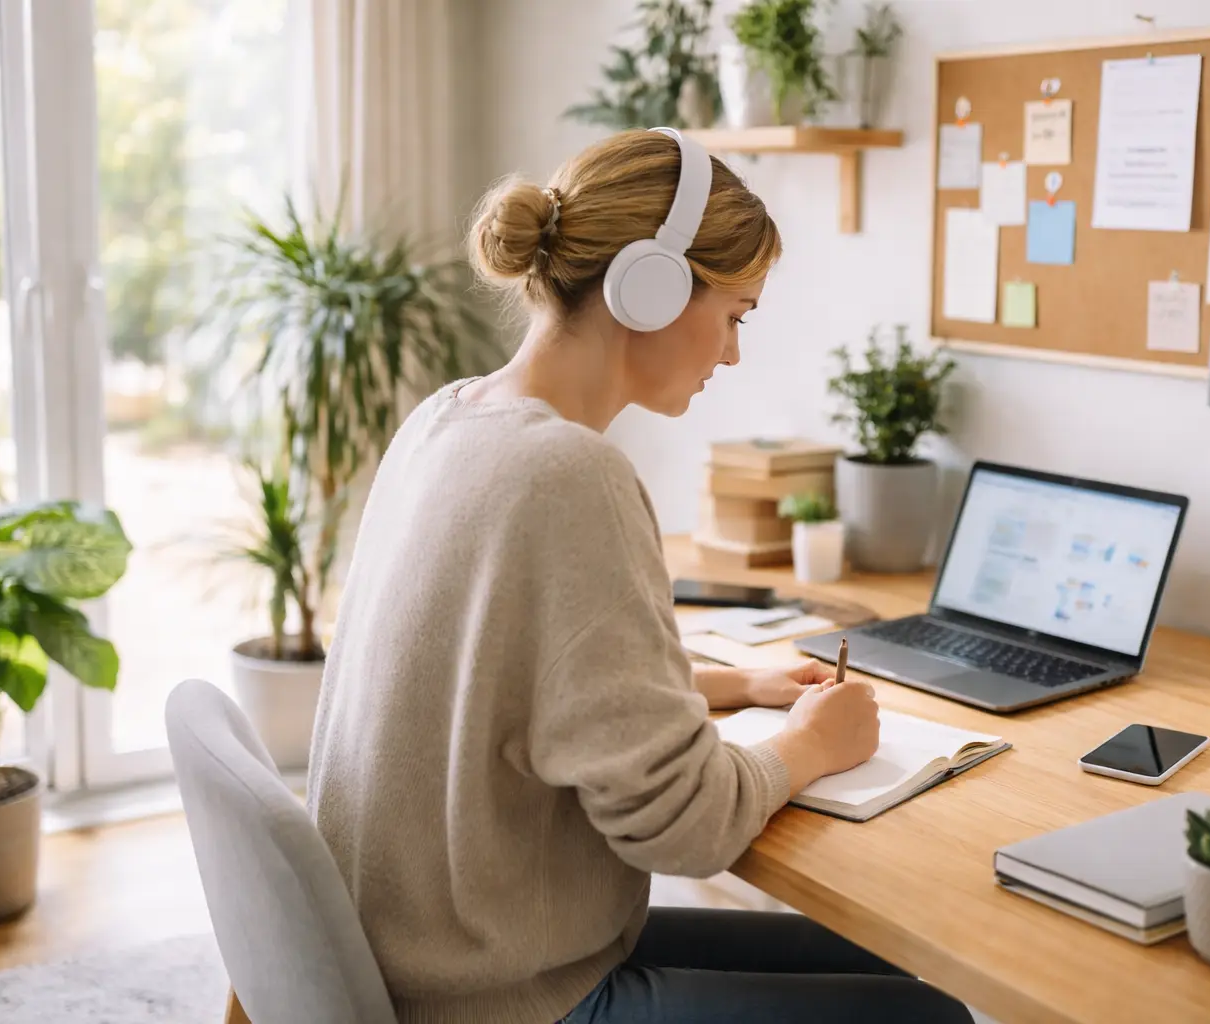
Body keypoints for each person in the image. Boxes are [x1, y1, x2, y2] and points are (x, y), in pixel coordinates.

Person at [306, 127, 973, 1024]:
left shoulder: (445, 419)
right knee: (923, 1017)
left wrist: (737, 684)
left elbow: (503, 680)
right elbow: (685, 828)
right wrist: (815, 742)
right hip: (504, 994)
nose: (732, 354)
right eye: (735, 314)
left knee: (887, 967)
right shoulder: (569, 475)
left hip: (423, 952)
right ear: (650, 289)